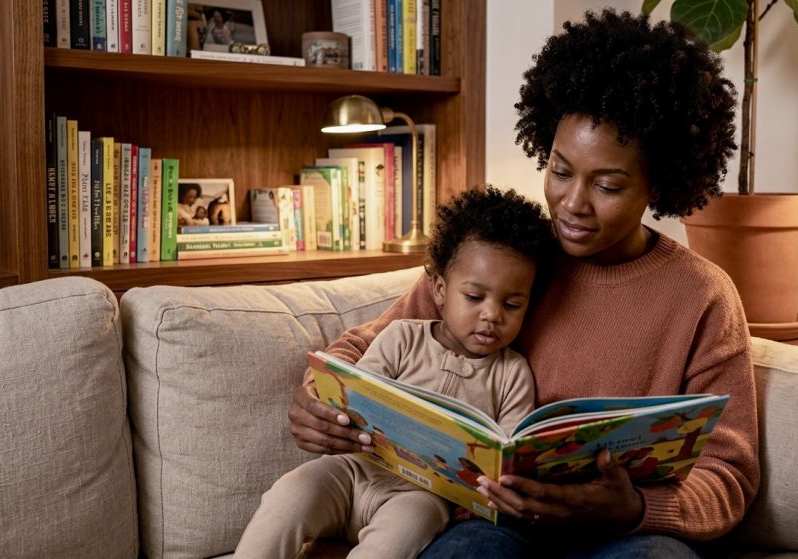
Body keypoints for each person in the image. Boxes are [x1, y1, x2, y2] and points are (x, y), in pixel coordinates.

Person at [286, 9, 760, 558]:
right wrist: (320, 402)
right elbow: (363, 348)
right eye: (560, 171)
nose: (572, 204)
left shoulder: (700, 295)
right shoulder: (507, 258)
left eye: (606, 185)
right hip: (492, 523)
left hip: (628, 535)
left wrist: (633, 508)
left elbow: (727, 477)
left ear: (660, 184)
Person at [234, 187, 557, 559]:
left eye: (512, 304)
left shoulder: (513, 373)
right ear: (439, 288)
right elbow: (360, 398)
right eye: (473, 297)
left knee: (407, 529)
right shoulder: (402, 336)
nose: (492, 314)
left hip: (421, 496)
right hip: (351, 470)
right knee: (291, 493)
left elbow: (505, 456)